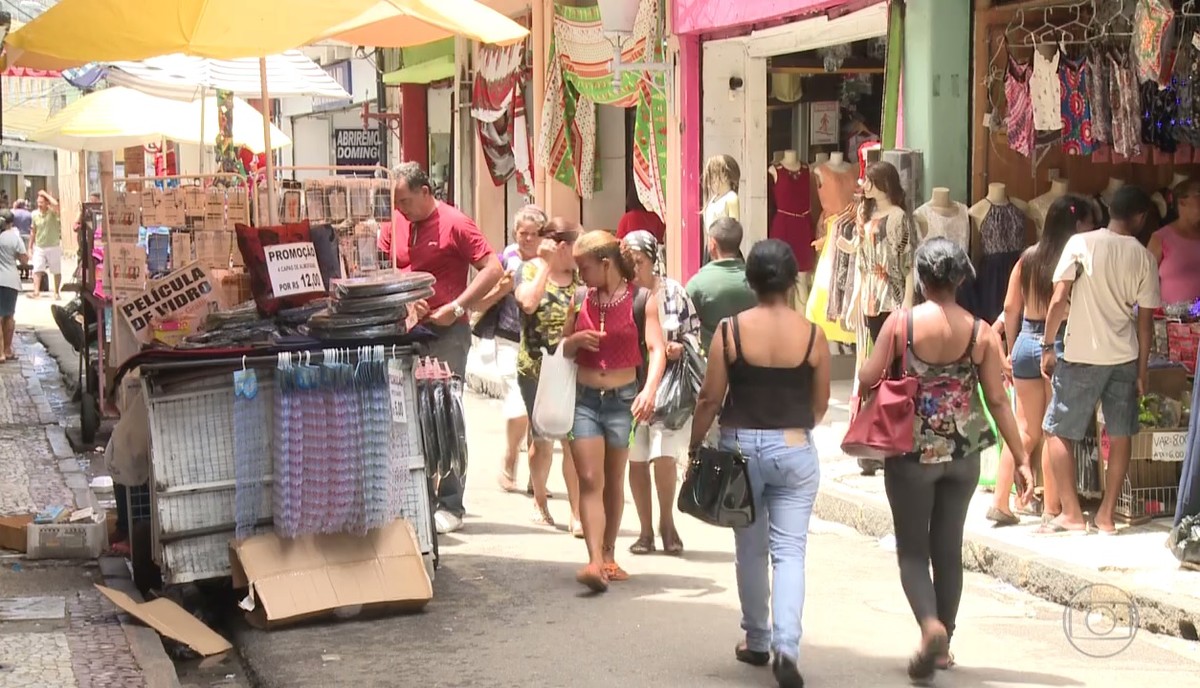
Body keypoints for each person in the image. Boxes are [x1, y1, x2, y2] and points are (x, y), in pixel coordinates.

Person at [858, 238, 1032, 682]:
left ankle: (929, 626)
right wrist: (1021, 456)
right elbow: (997, 398)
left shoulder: (901, 324)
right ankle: (944, 645)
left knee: (913, 552)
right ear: (960, 278)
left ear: (921, 277)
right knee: (948, 549)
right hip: (963, 454)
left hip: (912, 453)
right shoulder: (980, 332)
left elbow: (865, 376)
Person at [687, 239, 827, 688]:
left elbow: (709, 398)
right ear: (792, 281)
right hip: (793, 447)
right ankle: (787, 647)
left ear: (750, 281)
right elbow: (820, 404)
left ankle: (758, 640)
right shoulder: (812, 334)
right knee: (790, 553)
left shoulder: (729, 332)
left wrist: (694, 446)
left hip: (740, 448)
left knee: (750, 548)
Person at [379, 162, 504, 534]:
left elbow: (492, 268)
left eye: (405, 200)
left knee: (445, 413)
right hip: (406, 331)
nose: (400, 208)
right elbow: (385, 266)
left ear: (425, 192)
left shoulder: (456, 222)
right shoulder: (396, 222)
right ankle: (418, 497)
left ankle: (451, 500)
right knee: (408, 415)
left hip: (446, 332)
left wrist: (459, 306)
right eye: (396, 201)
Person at [1041, 186, 1161, 536]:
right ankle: (1107, 515)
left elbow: (1059, 298)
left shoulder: (1081, 243)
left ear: (1111, 211)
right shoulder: (1144, 258)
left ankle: (1072, 514)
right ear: (1139, 218)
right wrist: (1142, 372)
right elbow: (1145, 321)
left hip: (1081, 355)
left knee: (1059, 431)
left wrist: (1048, 344)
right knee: (1121, 434)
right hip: (1124, 357)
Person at [561, 230, 666, 592]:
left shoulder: (642, 299)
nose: (580, 276)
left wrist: (650, 389)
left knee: (612, 479)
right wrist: (575, 341)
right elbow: (563, 348)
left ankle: (608, 554)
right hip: (585, 399)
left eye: (584, 267)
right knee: (590, 478)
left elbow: (656, 348)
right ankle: (593, 560)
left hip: (623, 400)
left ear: (606, 264)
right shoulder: (579, 299)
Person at [991, 195, 1095, 526]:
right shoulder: (1073, 261)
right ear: (1076, 225)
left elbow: (1010, 308)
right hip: (1057, 343)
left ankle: (1000, 502)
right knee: (1054, 431)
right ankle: (1051, 509)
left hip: (1023, 342)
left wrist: (1008, 350)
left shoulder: (1026, 258)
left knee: (1023, 429)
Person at [623, 230, 701, 556]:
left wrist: (679, 348)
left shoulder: (673, 292)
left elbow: (694, 334)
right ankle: (644, 532)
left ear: (653, 260)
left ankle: (666, 523)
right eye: (629, 262)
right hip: (629, 386)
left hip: (668, 389)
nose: (635, 268)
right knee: (637, 459)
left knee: (663, 456)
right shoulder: (620, 292)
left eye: (639, 262)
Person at [514, 217, 583, 531]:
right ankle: (540, 499)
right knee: (542, 440)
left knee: (573, 440)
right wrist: (545, 264)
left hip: (571, 369)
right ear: (563, 246)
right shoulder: (527, 270)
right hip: (536, 369)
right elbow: (528, 303)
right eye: (576, 244)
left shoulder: (581, 278)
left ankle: (577, 513)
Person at [474, 205, 546, 495]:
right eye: (522, 233)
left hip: (541, 341)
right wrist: (502, 289)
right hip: (509, 337)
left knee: (538, 408)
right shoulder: (507, 257)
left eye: (533, 234)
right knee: (519, 401)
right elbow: (488, 296)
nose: (527, 239)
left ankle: (536, 477)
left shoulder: (549, 262)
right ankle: (510, 457)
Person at [685, 217, 757, 352]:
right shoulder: (758, 281)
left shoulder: (697, 284)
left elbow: (685, 328)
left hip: (712, 361)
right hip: (752, 362)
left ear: (712, 244)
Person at [1149, 179, 1200, 304]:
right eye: (1199, 195)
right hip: (1173, 320)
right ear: (1182, 202)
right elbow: (1145, 283)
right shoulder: (1160, 238)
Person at [0, 215, 26, 361]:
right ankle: (7, 349)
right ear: (11, 222)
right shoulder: (13, 237)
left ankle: (0, 353)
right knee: (9, 315)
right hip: (10, 280)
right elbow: (24, 260)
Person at [30, 190, 62, 300]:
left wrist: (46, 194)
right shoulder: (34, 214)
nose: (39, 204)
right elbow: (33, 231)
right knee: (37, 268)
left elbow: (56, 204)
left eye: (42, 202)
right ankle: (36, 292)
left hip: (53, 245)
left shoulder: (53, 213)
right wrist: (30, 247)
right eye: (38, 202)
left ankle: (56, 292)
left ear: (47, 203)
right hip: (40, 245)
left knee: (56, 270)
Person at [10, 200, 31, 281]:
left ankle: (17, 272)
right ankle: (25, 270)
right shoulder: (29, 214)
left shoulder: (13, 213)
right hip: (27, 235)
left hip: (16, 235)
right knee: (24, 254)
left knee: (16, 254)